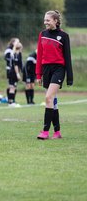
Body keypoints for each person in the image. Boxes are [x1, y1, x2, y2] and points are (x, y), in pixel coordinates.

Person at [36, 10, 73, 140]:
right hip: (46, 69)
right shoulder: (42, 34)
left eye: (48, 20)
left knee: (48, 98)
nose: (45, 22)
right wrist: (38, 74)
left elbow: (67, 57)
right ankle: (57, 132)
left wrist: (69, 77)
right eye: (45, 20)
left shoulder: (63, 36)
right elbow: (39, 55)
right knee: (53, 102)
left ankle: (45, 131)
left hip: (59, 69)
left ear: (55, 21)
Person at [4, 38, 21, 102]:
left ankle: (12, 100)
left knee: (14, 86)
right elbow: (7, 58)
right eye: (17, 42)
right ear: (13, 42)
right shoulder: (9, 50)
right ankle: (10, 100)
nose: (18, 43)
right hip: (10, 70)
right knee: (11, 86)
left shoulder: (16, 51)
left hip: (14, 70)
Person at [7, 42, 23, 107]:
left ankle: (12, 101)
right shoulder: (16, 54)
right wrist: (17, 74)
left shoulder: (17, 53)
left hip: (13, 72)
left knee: (14, 87)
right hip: (13, 72)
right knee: (12, 87)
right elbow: (15, 65)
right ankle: (11, 102)